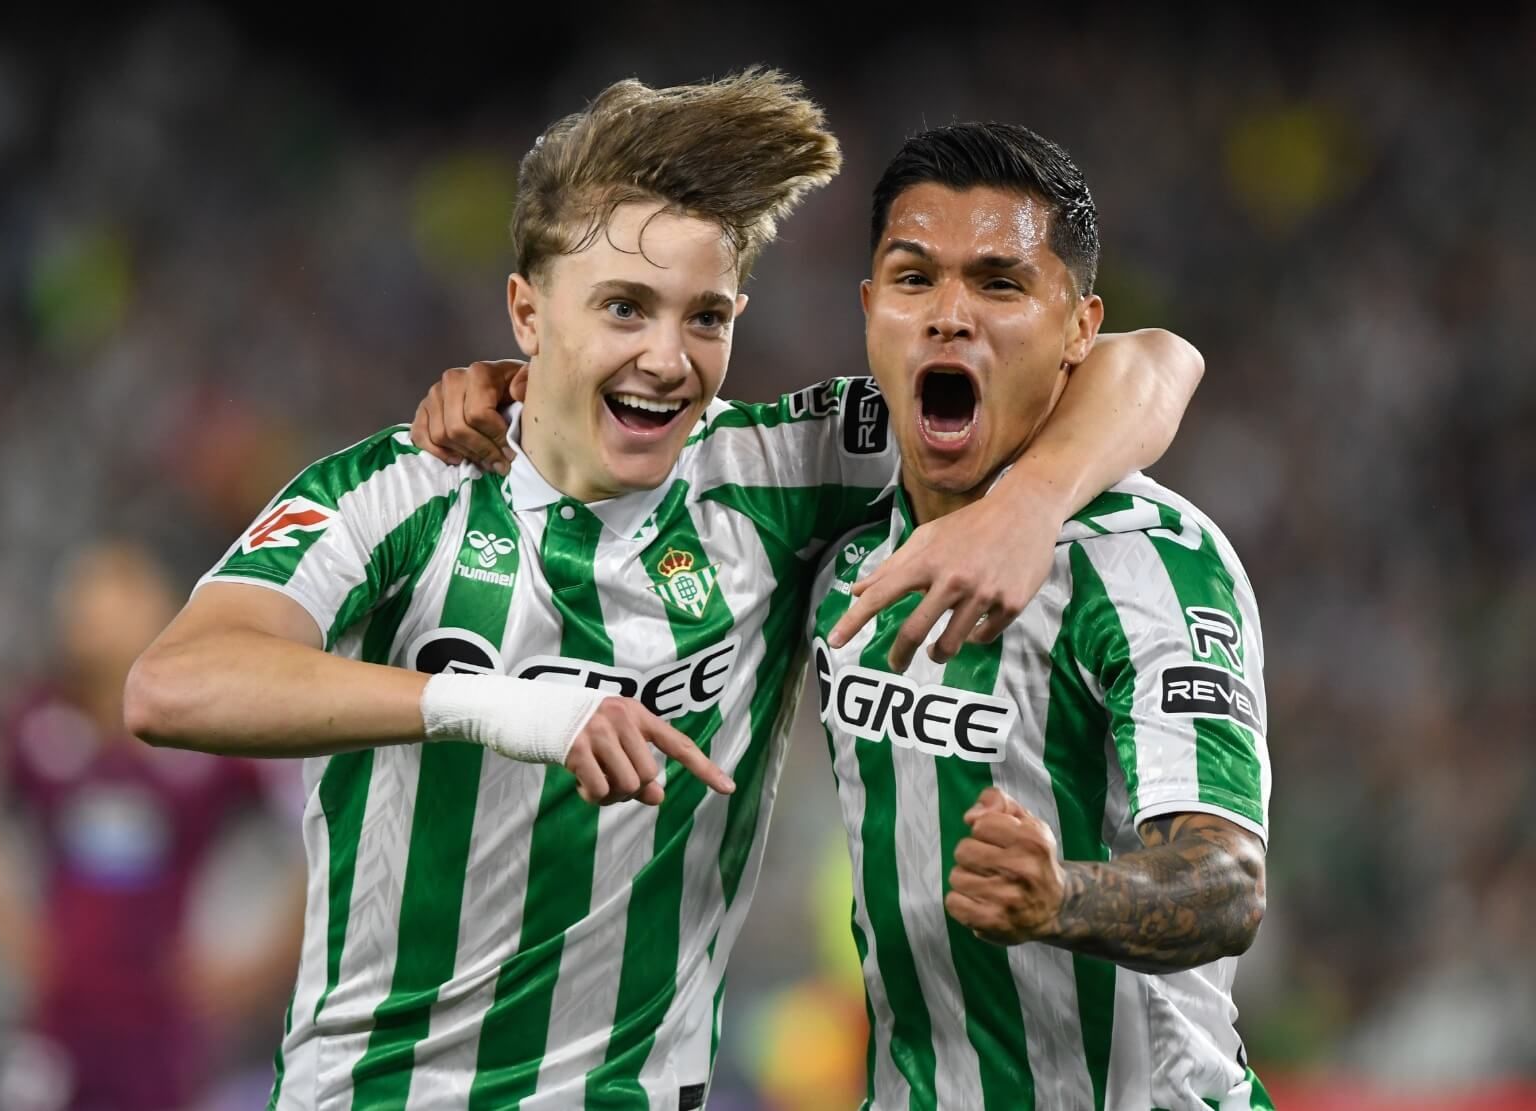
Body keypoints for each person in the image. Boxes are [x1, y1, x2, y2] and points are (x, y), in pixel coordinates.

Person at [127, 71, 1201, 1108]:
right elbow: (173, 687)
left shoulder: (776, 473)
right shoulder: (401, 490)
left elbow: (1147, 359)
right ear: (525, 313)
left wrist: (1032, 504)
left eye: (706, 317)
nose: (667, 358)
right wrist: (502, 706)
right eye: (624, 309)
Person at [417, 124, 1270, 1109]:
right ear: (870, 309)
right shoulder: (829, 500)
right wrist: (510, 390)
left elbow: (1225, 883)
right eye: (915, 281)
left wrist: (1065, 897)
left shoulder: (1148, 563)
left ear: (1078, 329)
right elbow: (634, 420)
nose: (950, 316)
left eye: (999, 284)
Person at [0, 542, 304, 1111]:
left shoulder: (209, 732)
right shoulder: (36, 723)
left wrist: (254, 971)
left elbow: (316, 829)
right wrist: (9, 931)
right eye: (83, 594)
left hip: (164, 1024)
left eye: (114, 591)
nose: (88, 608)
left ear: (160, 610)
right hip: (60, 1012)